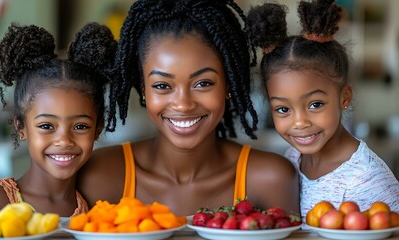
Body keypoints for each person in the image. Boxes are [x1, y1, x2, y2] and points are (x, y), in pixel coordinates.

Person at [77, 0, 300, 217]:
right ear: (143, 88)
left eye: (203, 83)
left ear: (228, 85)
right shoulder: (101, 175)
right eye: (163, 86)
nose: (183, 104)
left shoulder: (271, 179)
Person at [246, 0, 399, 225]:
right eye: (283, 109)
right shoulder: (292, 158)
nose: (299, 122)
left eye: (315, 104)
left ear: (344, 97)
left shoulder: (368, 178)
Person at [0, 22, 117, 217]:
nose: (64, 140)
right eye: (47, 125)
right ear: (21, 127)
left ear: (97, 128)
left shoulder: (96, 209)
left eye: (80, 126)